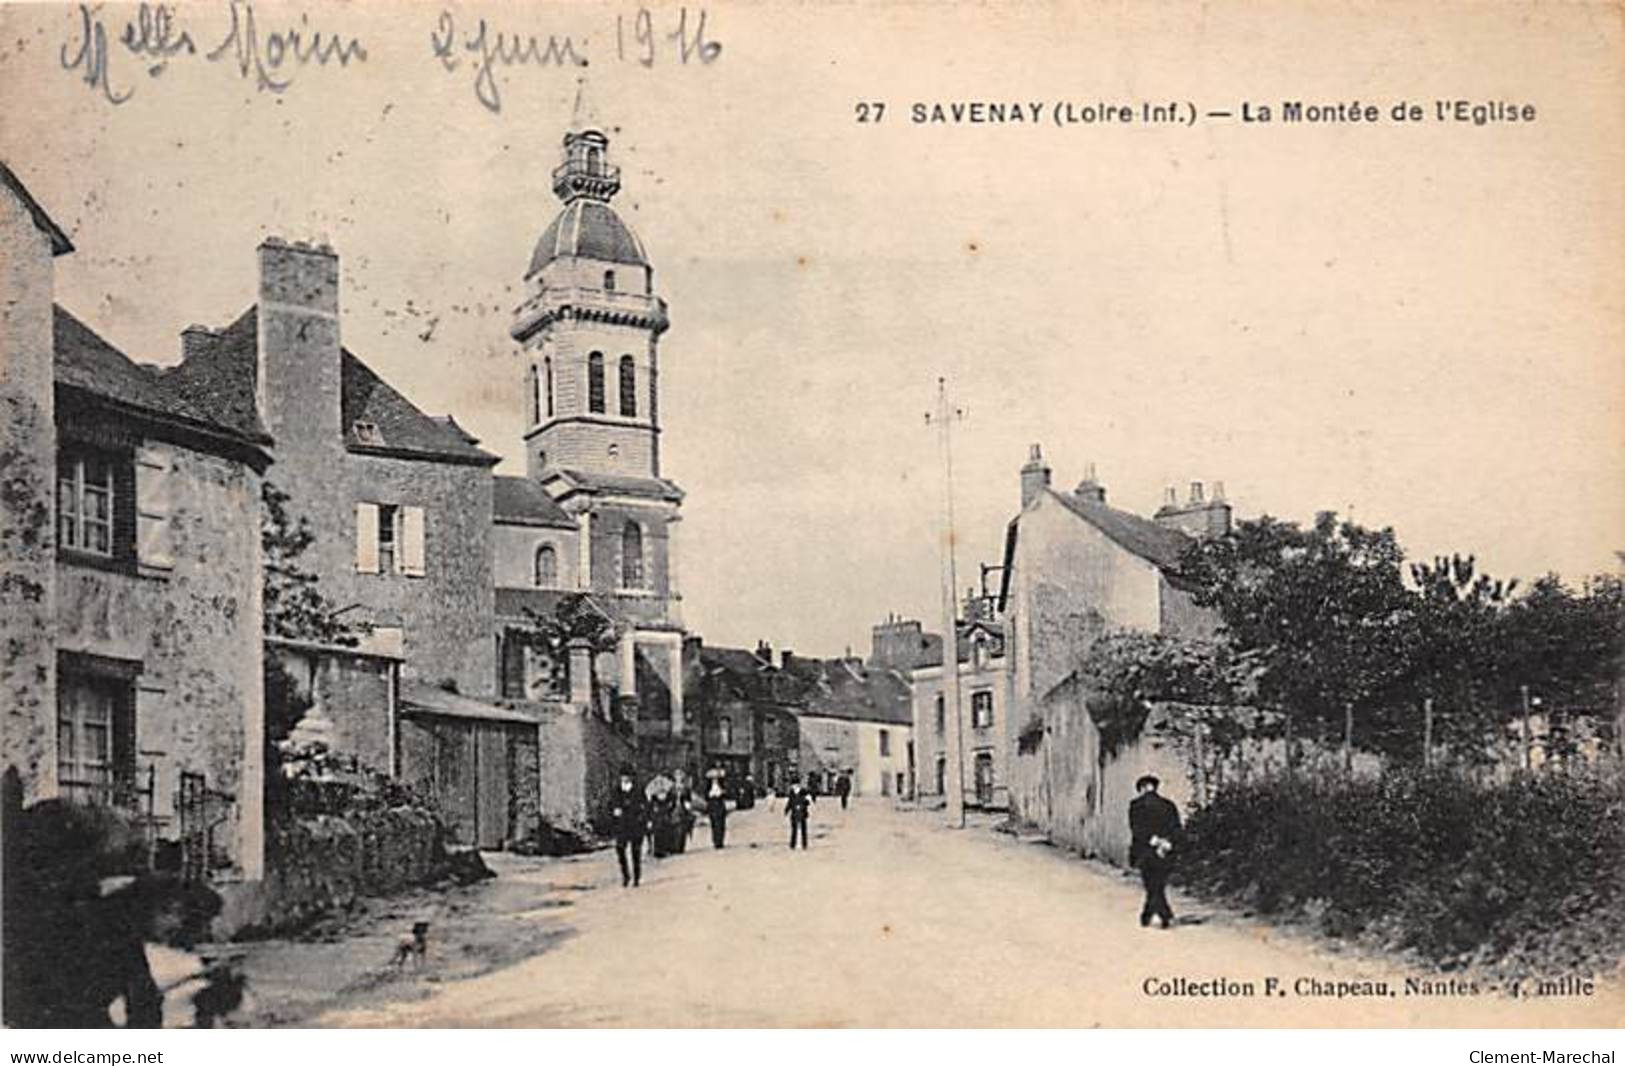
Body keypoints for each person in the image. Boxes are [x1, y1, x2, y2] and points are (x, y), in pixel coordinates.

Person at [1128, 774, 1182, 929]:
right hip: (1165, 850)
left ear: (1143, 788)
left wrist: (1154, 841)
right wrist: (1167, 843)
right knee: (1158, 884)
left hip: (1145, 850)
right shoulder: (1168, 805)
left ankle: (1157, 915)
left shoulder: (1136, 805)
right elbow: (1176, 827)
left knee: (1151, 885)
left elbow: (1137, 830)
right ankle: (1156, 915)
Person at [610, 766, 647, 887]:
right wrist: (614, 811)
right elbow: (611, 804)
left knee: (635, 852)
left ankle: (636, 877)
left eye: (627, 776)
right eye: (623, 776)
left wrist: (643, 818)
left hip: (635, 823)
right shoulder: (616, 790)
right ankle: (625, 875)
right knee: (620, 849)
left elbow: (645, 805)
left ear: (631, 777)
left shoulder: (638, 789)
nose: (625, 778)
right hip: (621, 825)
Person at [785, 778, 813, 850]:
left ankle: (804, 844)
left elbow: (808, 801)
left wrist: (802, 805)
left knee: (804, 829)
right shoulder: (791, 792)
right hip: (794, 812)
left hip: (802, 811)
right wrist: (787, 810)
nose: (794, 786)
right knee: (794, 829)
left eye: (795, 785)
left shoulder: (804, 791)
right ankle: (792, 844)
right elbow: (790, 801)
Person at [705, 780, 729, 849]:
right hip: (712, 806)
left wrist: (722, 792)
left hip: (720, 805)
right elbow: (706, 796)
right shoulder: (708, 786)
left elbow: (726, 793)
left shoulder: (722, 784)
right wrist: (710, 794)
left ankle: (720, 841)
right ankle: (715, 841)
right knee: (714, 824)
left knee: (721, 824)